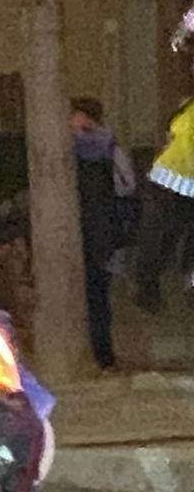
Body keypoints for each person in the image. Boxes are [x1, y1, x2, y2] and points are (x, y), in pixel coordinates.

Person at [71, 97, 136, 370]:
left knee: (94, 293)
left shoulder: (82, 149)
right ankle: (103, 355)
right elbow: (127, 186)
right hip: (103, 230)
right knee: (98, 295)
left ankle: (101, 355)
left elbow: (126, 186)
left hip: (92, 229)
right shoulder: (111, 147)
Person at [135, 98, 194, 312]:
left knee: (166, 240)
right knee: (162, 240)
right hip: (171, 188)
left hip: (174, 187)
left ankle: (151, 289)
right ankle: (149, 289)